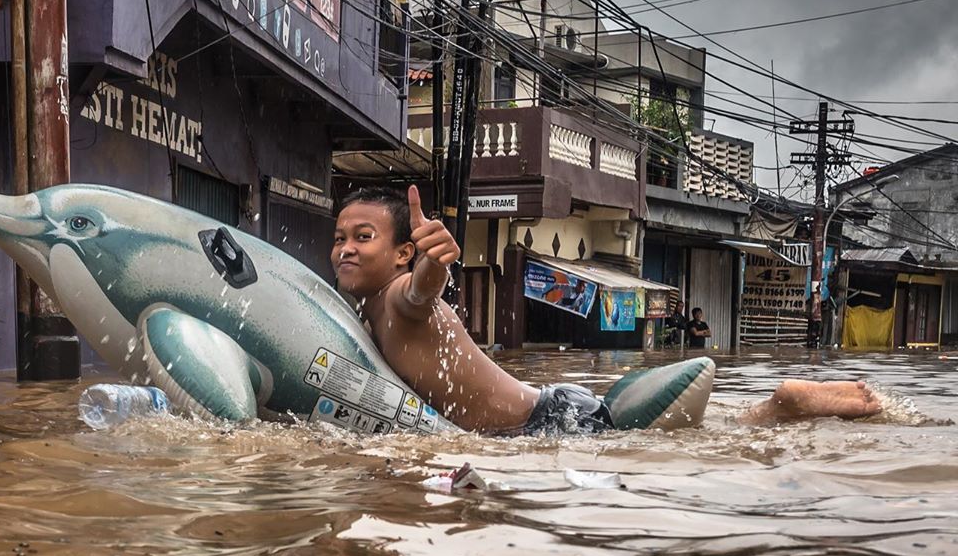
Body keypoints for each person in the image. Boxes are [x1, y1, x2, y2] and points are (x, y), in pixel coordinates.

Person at [331, 185, 881, 435]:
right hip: (549, 413)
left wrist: (436, 263)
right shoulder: (368, 306)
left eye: (363, 236)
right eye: (339, 239)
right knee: (714, 432)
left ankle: (788, 402)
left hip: (552, 424)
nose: (346, 248)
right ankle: (785, 405)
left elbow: (423, 293)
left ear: (403, 252)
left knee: (725, 436)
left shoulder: (399, 300)